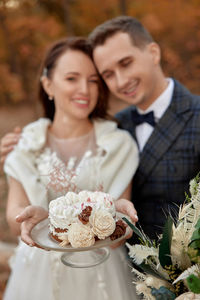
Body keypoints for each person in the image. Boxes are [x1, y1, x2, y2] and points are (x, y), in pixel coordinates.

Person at [2, 15, 200, 239]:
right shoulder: (118, 125)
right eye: (107, 75)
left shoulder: (195, 116)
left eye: (126, 63)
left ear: (153, 53)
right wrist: (13, 154)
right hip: (127, 262)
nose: (121, 80)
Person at [2, 36, 139, 300]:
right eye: (72, 78)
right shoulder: (25, 144)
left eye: (93, 80)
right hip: (38, 273)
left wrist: (120, 223)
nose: (85, 90)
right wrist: (31, 218)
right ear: (48, 85)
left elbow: (121, 216)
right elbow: (13, 215)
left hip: (103, 273)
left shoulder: (118, 145)